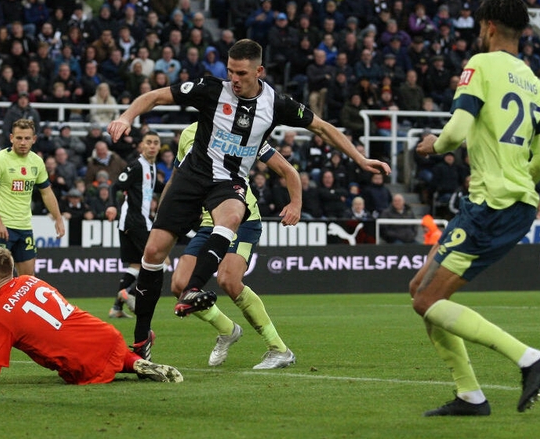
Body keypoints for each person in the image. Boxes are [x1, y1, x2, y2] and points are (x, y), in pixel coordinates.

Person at [107, 39, 390, 356]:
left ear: (259, 71)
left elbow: (323, 128)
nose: (234, 79)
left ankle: (195, 289)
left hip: (228, 182)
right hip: (192, 177)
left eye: (241, 73)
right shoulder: (212, 89)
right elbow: (157, 96)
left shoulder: (276, 104)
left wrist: (361, 160)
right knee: (154, 253)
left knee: (231, 215)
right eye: (230, 71)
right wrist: (126, 117)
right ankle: (143, 338)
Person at [411, 0, 540, 417]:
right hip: (516, 204)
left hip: (490, 205)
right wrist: (518, 182)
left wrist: (431, 146)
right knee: (420, 289)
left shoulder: (480, 65)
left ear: (489, 26)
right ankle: (470, 395)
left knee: (425, 300)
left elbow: (456, 132)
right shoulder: (536, 83)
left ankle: (530, 358)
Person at [0, 246, 183, 386]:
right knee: (92, 343)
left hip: (85, 368)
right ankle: (133, 362)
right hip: (107, 336)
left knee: (82, 362)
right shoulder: (31, 280)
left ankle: (130, 365)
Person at [170, 122, 300, 369]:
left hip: (241, 218)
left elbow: (286, 169)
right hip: (208, 223)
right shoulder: (187, 134)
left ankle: (279, 349)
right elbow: (178, 179)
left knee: (228, 281)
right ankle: (227, 330)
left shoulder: (238, 132)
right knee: (180, 285)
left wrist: (295, 204)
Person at [0, 119, 66, 276]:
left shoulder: (37, 162)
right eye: (19, 138)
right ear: (11, 138)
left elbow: (46, 192)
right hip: (2, 228)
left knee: (27, 280)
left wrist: (58, 219)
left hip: (25, 227)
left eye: (27, 138)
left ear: (34, 139)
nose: (23, 142)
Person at [105, 132, 165, 319]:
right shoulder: (137, 166)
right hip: (135, 222)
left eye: (156, 143)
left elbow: (160, 189)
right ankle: (134, 295)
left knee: (136, 264)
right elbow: (114, 186)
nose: (152, 146)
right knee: (155, 262)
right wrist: (112, 206)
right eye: (149, 142)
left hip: (132, 224)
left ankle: (117, 306)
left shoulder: (152, 168)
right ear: (141, 146)